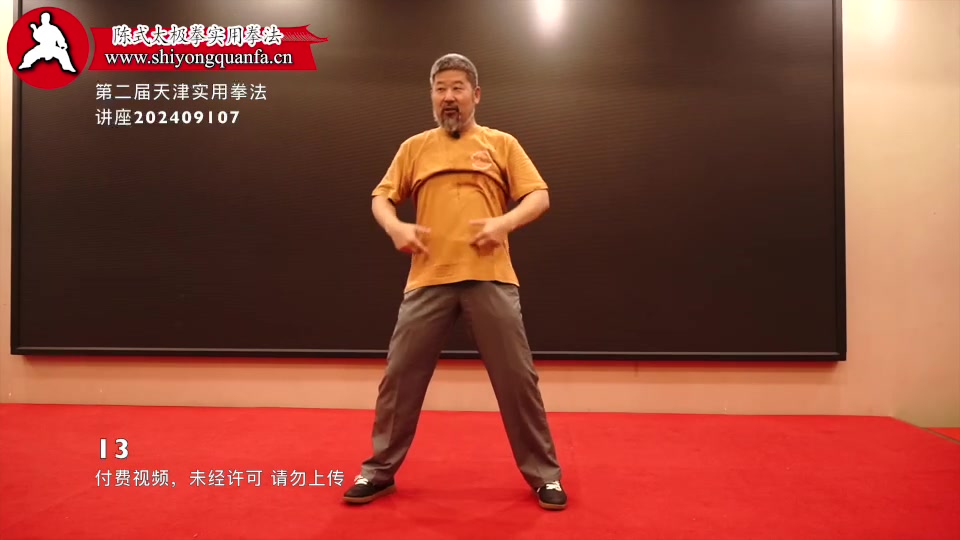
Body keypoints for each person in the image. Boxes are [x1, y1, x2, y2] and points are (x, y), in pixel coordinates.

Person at [342, 53, 567, 511]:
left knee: (517, 379)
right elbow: (381, 197)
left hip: (490, 277)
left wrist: (504, 223)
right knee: (400, 378)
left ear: (475, 95)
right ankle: (379, 471)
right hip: (428, 279)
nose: (449, 96)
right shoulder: (415, 148)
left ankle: (545, 475)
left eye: (458, 87)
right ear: (431, 96)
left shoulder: (501, 143)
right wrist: (396, 227)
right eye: (440, 88)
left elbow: (539, 195)